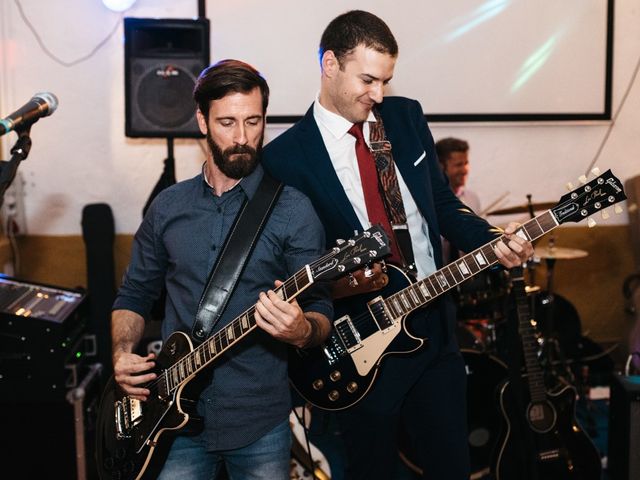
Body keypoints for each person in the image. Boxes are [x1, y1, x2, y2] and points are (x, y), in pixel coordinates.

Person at [262, 10, 533, 480]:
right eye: (367, 79)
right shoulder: (284, 158)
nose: (378, 94)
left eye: (385, 80)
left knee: (452, 467)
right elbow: (291, 261)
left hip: (436, 328)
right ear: (330, 64)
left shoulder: (404, 118)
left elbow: (444, 207)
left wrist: (494, 241)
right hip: (362, 345)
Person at [110, 59, 333, 479]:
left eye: (253, 121)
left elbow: (321, 309)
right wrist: (122, 352)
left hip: (260, 423)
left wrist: (302, 329)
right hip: (170, 421)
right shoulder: (168, 207)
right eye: (227, 122)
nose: (243, 138)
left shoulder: (293, 210)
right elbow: (134, 296)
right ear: (202, 121)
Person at [435, 136, 481, 213]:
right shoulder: (432, 201)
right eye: (458, 165)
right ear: (440, 166)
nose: (464, 170)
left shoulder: (472, 198)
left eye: (466, 163)